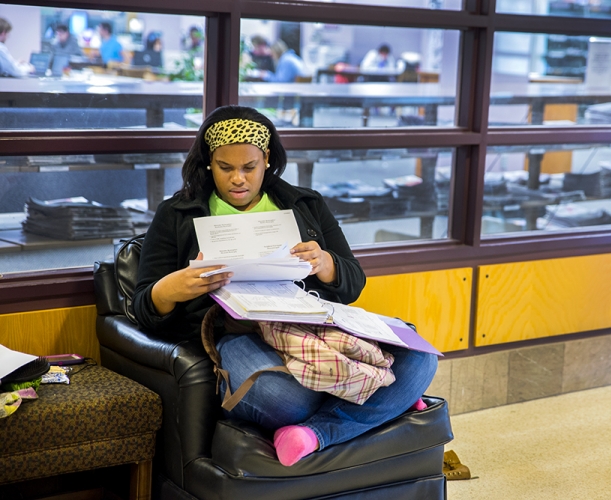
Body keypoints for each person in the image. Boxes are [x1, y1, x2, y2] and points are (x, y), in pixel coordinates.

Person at [132, 105, 437, 467]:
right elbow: (143, 308)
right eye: (225, 168)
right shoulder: (177, 214)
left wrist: (326, 264)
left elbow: (352, 282)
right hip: (240, 334)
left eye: (250, 167)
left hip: (316, 324)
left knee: (421, 359)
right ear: (208, 165)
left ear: (267, 163)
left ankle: (318, 433)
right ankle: (382, 397)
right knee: (288, 400)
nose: (238, 180)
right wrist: (172, 288)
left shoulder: (304, 205)